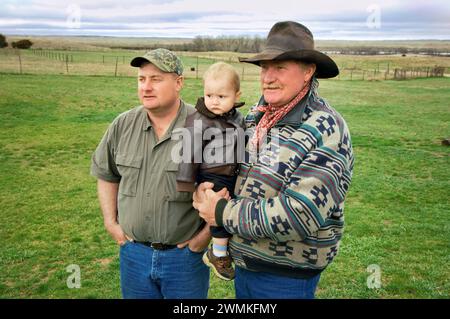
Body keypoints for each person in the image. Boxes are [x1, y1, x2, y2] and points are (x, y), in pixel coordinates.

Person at [193, 21, 355, 299]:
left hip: (284, 277)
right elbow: (234, 170)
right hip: (246, 264)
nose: (268, 77)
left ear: (308, 71)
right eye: (265, 67)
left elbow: (300, 214)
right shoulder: (258, 116)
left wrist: (220, 212)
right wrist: (205, 188)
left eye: (280, 67)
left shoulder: (326, 128)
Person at [90, 48, 217, 299]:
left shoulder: (206, 127)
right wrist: (110, 223)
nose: (146, 87)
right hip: (133, 254)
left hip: (184, 259)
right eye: (141, 79)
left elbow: (225, 189)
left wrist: (203, 238)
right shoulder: (122, 125)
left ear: (179, 82)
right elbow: (106, 174)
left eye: (156, 79)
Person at [175, 62, 245, 281]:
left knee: (234, 207)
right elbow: (188, 153)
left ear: (236, 95)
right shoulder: (199, 120)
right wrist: (187, 184)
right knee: (219, 211)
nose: (214, 101)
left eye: (222, 96)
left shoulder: (238, 118)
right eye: (209, 95)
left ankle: (225, 248)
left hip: (234, 173)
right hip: (211, 173)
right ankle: (219, 253)